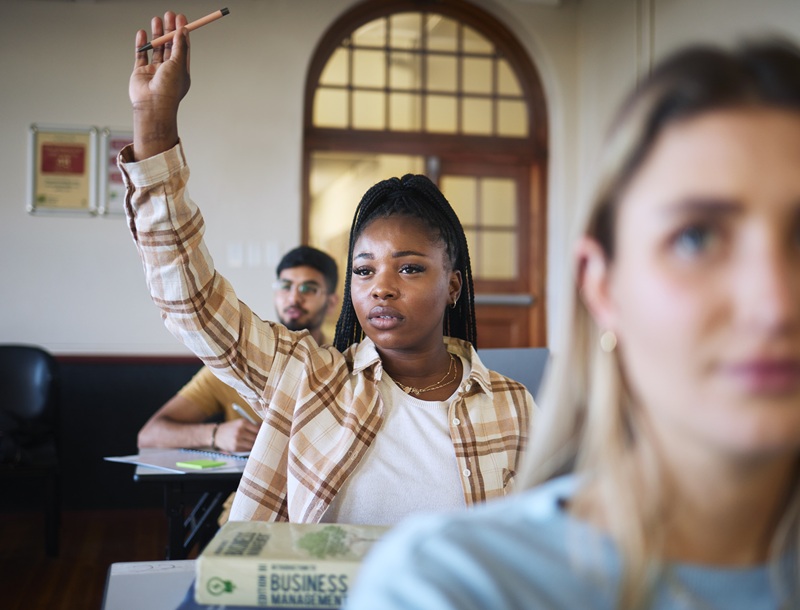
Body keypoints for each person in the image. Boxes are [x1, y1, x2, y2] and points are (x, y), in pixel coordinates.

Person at [345, 38, 800, 609]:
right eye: (695, 238)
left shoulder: (508, 402)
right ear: (603, 286)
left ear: (451, 284)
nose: (775, 303)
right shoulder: (451, 583)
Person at [119, 12, 535, 526]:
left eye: (408, 270)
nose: (381, 287)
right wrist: (155, 121)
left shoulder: (514, 408)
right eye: (364, 271)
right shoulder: (309, 379)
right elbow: (194, 306)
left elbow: (531, 546)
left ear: (453, 286)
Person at [137, 245, 339, 454]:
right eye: (286, 286)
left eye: (308, 289)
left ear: (331, 303)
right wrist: (216, 434)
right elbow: (149, 435)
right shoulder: (234, 361)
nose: (294, 298)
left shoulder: (342, 361)